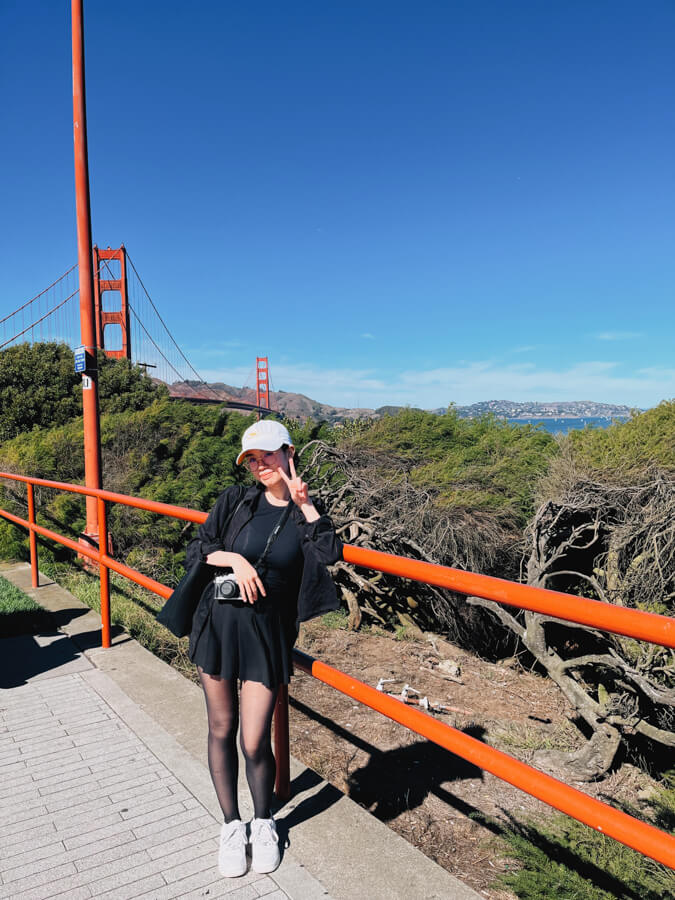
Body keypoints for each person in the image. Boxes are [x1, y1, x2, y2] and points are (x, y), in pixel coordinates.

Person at [185, 419, 342, 878]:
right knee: (221, 728)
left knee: (254, 740)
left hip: (266, 633)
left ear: (288, 453)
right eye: (252, 459)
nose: (260, 466)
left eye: (267, 455)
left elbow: (330, 554)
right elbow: (202, 549)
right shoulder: (235, 501)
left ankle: (264, 821)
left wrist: (307, 505)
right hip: (217, 623)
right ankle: (231, 826)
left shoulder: (302, 510)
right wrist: (234, 559)